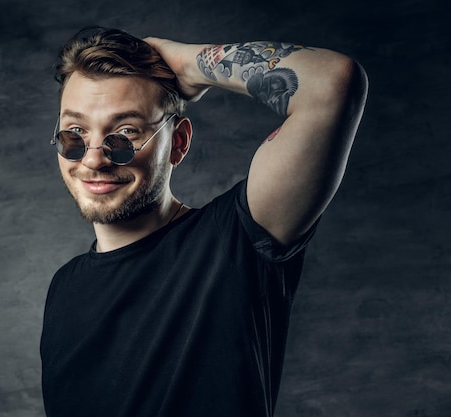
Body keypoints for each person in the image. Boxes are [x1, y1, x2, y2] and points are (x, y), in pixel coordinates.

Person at [40, 26, 367, 417]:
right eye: (74, 134)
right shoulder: (64, 286)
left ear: (177, 143)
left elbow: (331, 83)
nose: (93, 159)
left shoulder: (237, 240)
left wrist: (188, 64)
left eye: (125, 134)